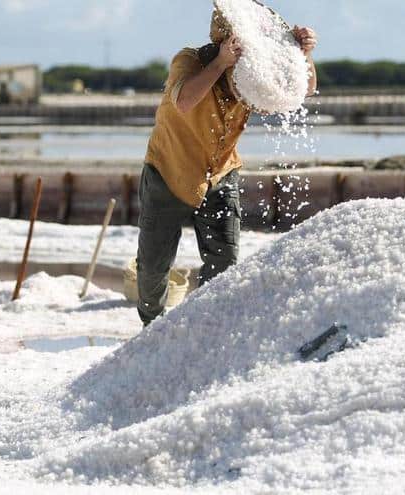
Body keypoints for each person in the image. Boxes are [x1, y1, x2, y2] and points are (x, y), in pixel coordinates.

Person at [136, 6, 318, 325]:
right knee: (154, 265)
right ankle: (151, 325)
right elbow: (184, 101)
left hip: (220, 174)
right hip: (169, 170)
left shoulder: (254, 73)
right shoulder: (190, 60)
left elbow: (304, 90)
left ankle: (207, 324)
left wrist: (303, 55)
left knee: (224, 259)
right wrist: (221, 63)